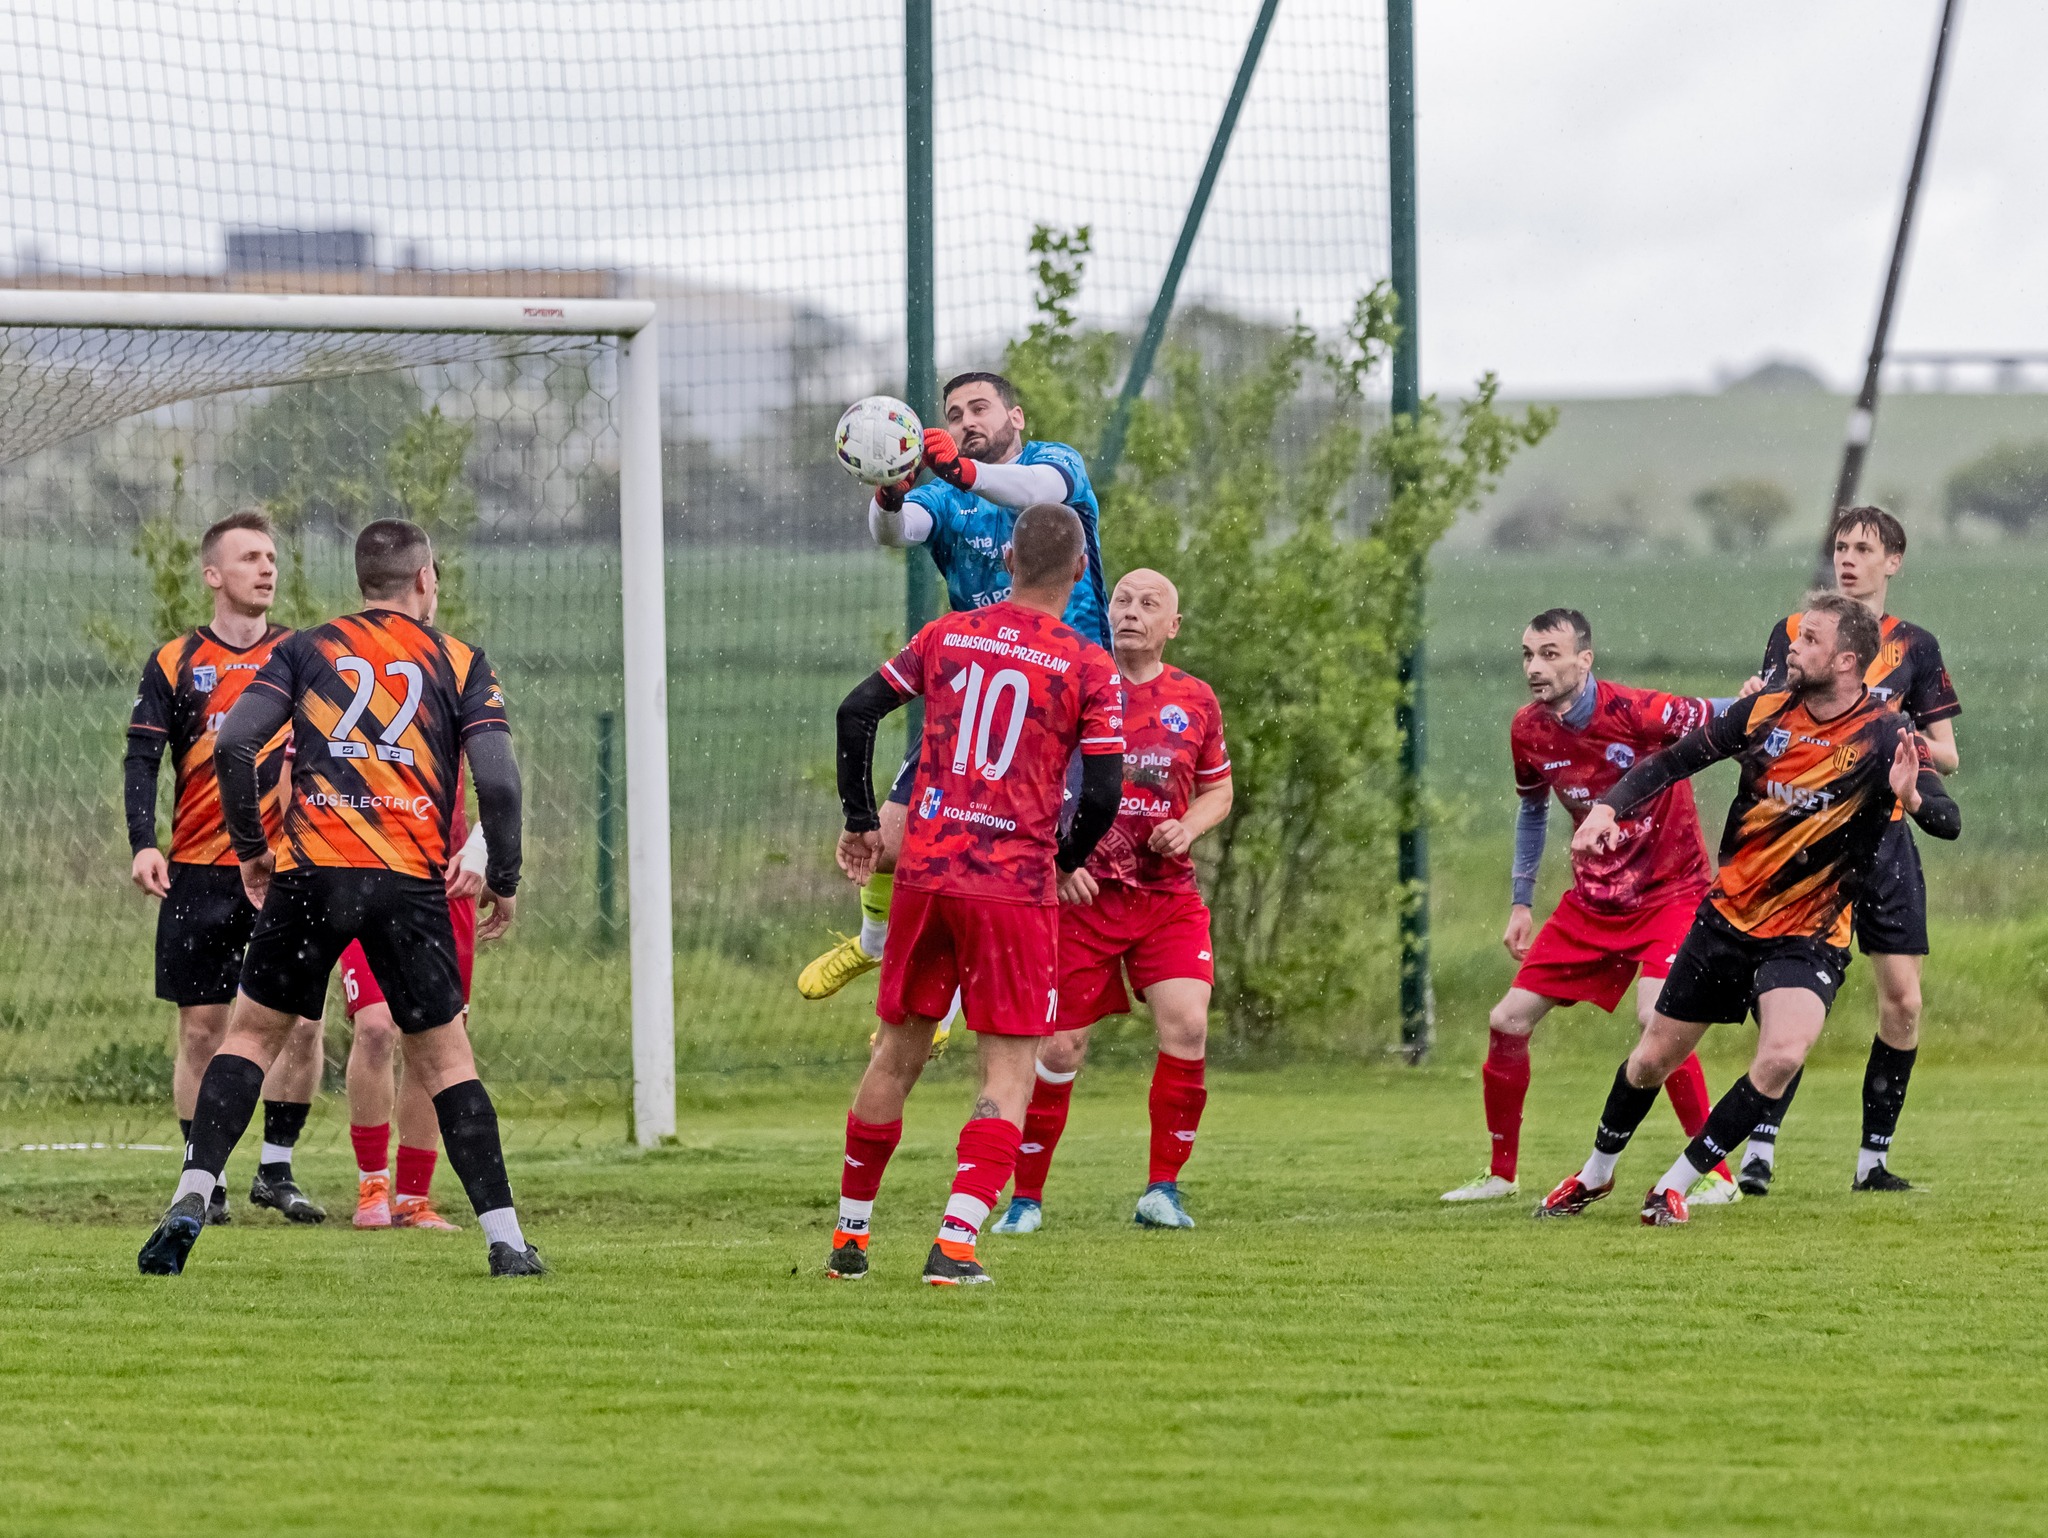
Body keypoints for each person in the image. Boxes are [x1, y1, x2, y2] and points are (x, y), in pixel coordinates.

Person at [137, 518, 539, 1277]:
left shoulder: (305, 647)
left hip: (313, 869)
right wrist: (506, 879)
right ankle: (507, 1239)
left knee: (250, 1037)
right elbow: (501, 784)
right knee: (449, 1060)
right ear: (424, 580)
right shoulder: (457, 661)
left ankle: (193, 1193)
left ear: (362, 582)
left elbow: (234, 746)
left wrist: (252, 851)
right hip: (408, 880)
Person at [1536, 592, 1959, 1227]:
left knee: (1784, 1051)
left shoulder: (1887, 732)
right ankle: (1595, 1173)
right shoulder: (1765, 708)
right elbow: (1676, 760)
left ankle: (1673, 1185)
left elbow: (1948, 820)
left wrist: (1913, 798)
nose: (1794, 646)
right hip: (1727, 918)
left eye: (1810, 640)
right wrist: (1605, 808)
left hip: (1809, 931)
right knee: (1652, 1059)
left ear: (1846, 659)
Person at [823, 502, 1125, 1286]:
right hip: (1011, 885)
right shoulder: (1085, 665)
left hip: (927, 872)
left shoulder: (946, 635)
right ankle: (954, 1245)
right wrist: (1065, 858)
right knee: (1007, 1070)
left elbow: (856, 712)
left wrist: (862, 820)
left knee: (897, 1053)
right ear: (1081, 570)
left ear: (1008, 562)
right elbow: (1103, 794)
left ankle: (850, 1241)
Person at [796, 371, 1111, 1016]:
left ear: (1015, 417)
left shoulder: (1055, 465)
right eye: (954, 412)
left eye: (980, 408)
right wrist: (890, 493)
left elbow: (1033, 492)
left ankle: (964, 991)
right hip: (975, 699)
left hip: (1063, 703)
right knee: (886, 841)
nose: (967, 420)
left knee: (1017, 857)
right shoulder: (945, 499)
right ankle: (875, 945)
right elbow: (896, 534)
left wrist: (963, 471)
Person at [1440, 609, 1740, 1206]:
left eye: (1551, 654)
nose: (1535, 667)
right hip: (1594, 902)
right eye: (1528, 654)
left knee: (1659, 1025)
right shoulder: (1528, 730)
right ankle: (1501, 1175)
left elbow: (1725, 713)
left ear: (1585, 660)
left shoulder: (1638, 711)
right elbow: (1532, 811)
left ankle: (1717, 1176)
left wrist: (1768, 697)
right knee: (1507, 1021)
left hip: (1671, 891)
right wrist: (1521, 902)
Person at [989, 568, 1231, 1235]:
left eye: (1149, 604)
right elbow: (1024, 785)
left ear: (1172, 625)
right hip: (1081, 899)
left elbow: (1218, 790)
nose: (1132, 612)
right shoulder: (1072, 684)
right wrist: (1058, 862)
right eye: (1122, 600)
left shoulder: (1195, 700)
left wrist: (1191, 825)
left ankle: (1162, 1192)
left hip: (1165, 898)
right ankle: (1025, 1201)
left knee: (1187, 1024)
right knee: (1061, 1048)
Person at [1732, 506, 1960, 1195]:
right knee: (1790, 1000)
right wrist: (1754, 704)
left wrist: (1900, 742)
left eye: (1864, 547)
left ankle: (1872, 1164)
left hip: (1885, 839)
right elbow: (1772, 724)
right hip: (1809, 842)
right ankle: (1759, 1151)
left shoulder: (1915, 646)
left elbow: (1946, 755)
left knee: (1903, 1003)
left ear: (1894, 561)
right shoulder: (1795, 635)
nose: (1848, 558)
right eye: (1840, 547)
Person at [125, 508, 326, 1226]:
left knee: (301, 1026)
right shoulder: (177, 661)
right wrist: (142, 841)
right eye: (249, 558)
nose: (266, 568)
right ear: (214, 575)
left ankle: (276, 1169)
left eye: (271, 557)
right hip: (201, 870)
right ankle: (201, 1181)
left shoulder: (302, 657)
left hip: (285, 868)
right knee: (202, 1029)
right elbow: (143, 756)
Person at [340, 816, 488, 1231]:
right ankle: (372, 1184)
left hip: (443, 883)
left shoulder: (462, 746)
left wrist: (487, 854)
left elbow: (499, 789)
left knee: (434, 1039)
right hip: (361, 872)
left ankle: (412, 1199)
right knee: (375, 1027)